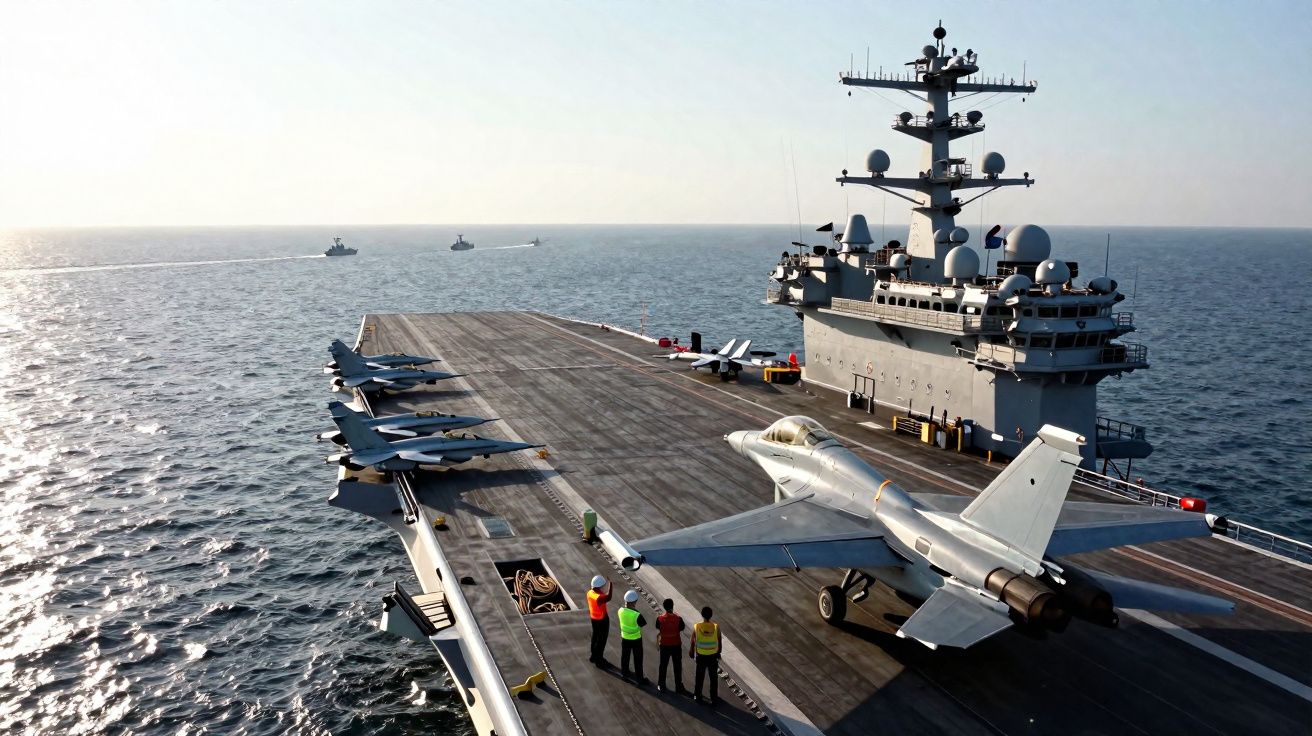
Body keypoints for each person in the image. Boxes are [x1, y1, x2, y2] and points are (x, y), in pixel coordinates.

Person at [655, 599, 688, 695]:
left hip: (664, 646)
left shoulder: (660, 619)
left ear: (664, 607)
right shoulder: (679, 619)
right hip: (676, 646)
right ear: (672, 606)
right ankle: (678, 686)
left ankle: (661, 684)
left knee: (663, 665)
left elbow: (657, 627)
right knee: (677, 666)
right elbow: (682, 628)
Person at [689, 606, 722, 705]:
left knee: (699, 676)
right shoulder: (716, 627)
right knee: (713, 677)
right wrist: (718, 652)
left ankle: (697, 695)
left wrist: (691, 651)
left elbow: (693, 640)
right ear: (711, 615)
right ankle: (714, 697)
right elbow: (719, 641)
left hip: (701, 655)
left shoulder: (697, 626)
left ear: (702, 615)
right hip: (712, 656)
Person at [617, 590, 649, 685]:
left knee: (625, 657)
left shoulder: (620, 611)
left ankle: (624, 674)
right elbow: (643, 623)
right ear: (634, 602)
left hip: (625, 638)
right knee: (638, 659)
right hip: (636, 639)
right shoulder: (637, 615)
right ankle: (640, 679)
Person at [586, 575, 613, 667]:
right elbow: (609, 597)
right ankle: (599, 660)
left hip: (593, 618)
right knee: (601, 640)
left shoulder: (590, 593)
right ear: (600, 586)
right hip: (602, 620)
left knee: (595, 637)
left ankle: (593, 656)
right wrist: (611, 584)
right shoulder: (599, 597)